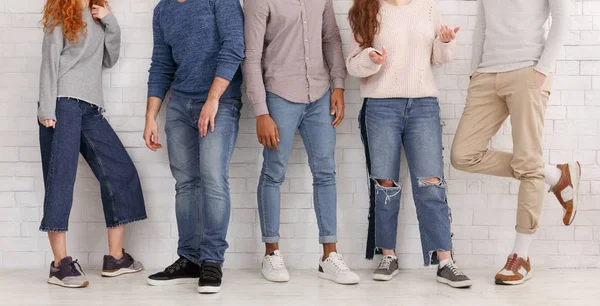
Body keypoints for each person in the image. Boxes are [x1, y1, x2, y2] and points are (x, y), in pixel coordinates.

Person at [451, 0, 577, 285]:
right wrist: (475, 72)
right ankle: (556, 175)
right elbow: (482, 24)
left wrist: (543, 68)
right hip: (486, 74)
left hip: (528, 70)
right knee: (463, 155)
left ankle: (521, 256)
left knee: (528, 160)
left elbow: (562, 18)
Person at [347, 0, 472, 288]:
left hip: (423, 105)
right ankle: (388, 255)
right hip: (380, 107)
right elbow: (353, 65)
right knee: (385, 185)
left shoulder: (428, 7)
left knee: (431, 183)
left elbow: (440, 59)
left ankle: (445, 261)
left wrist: (444, 42)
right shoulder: (368, 8)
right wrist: (370, 58)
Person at [242, 0, 359, 285]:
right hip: (279, 96)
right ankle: (271, 252)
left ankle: (329, 256)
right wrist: (261, 111)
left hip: (320, 95)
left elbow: (331, 39)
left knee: (325, 173)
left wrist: (339, 85)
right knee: (273, 173)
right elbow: (252, 56)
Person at [38, 0, 146, 289]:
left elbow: (108, 59)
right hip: (62, 106)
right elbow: (49, 60)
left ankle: (116, 258)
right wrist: (46, 109)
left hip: (90, 108)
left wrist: (110, 21)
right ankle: (60, 265)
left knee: (120, 171)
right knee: (61, 180)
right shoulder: (62, 13)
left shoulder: (98, 15)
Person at [143, 0, 244, 294]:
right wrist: (150, 117)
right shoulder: (163, 10)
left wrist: (213, 100)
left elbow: (234, 47)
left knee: (213, 179)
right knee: (186, 183)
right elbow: (161, 64)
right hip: (179, 105)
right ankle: (190, 258)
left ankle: (211, 260)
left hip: (220, 102)